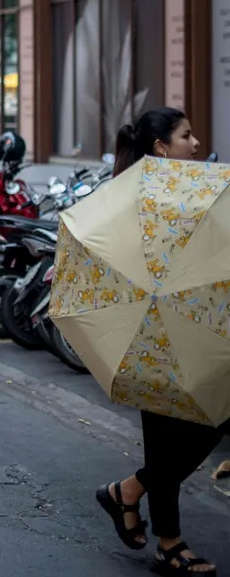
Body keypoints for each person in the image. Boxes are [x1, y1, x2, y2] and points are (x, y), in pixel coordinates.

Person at [96, 107, 227, 577]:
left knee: (214, 416)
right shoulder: (139, 200)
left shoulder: (190, 193)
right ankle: (167, 541)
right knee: (169, 434)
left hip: (188, 326)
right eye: (185, 136)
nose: (195, 143)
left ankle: (128, 492)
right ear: (160, 149)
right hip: (151, 329)